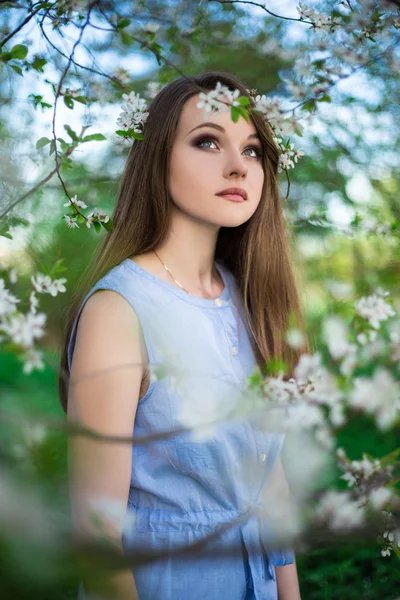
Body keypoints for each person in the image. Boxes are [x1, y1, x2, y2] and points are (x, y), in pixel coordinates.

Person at [59, 71, 308, 600]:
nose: (238, 166)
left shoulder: (252, 300)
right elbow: (97, 536)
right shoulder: (119, 310)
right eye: (208, 141)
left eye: (254, 150)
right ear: (158, 159)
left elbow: (270, 480)